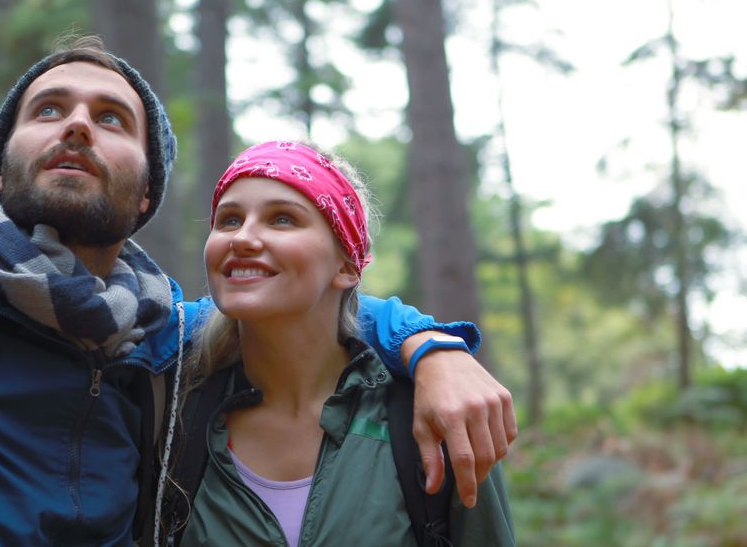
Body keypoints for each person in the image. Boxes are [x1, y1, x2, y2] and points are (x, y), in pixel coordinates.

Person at [0, 0, 515, 545]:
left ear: (148, 186)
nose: (80, 125)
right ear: (0, 171)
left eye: (112, 118)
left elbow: (300, 310)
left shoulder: (157, 340)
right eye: (49, 110)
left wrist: (432, 346)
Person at [159, 141, 515, 546]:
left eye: (281, 219)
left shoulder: (435, 413)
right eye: (229, 220)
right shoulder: (170, 408)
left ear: (347, 265)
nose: (243, 237)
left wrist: (434, 350)